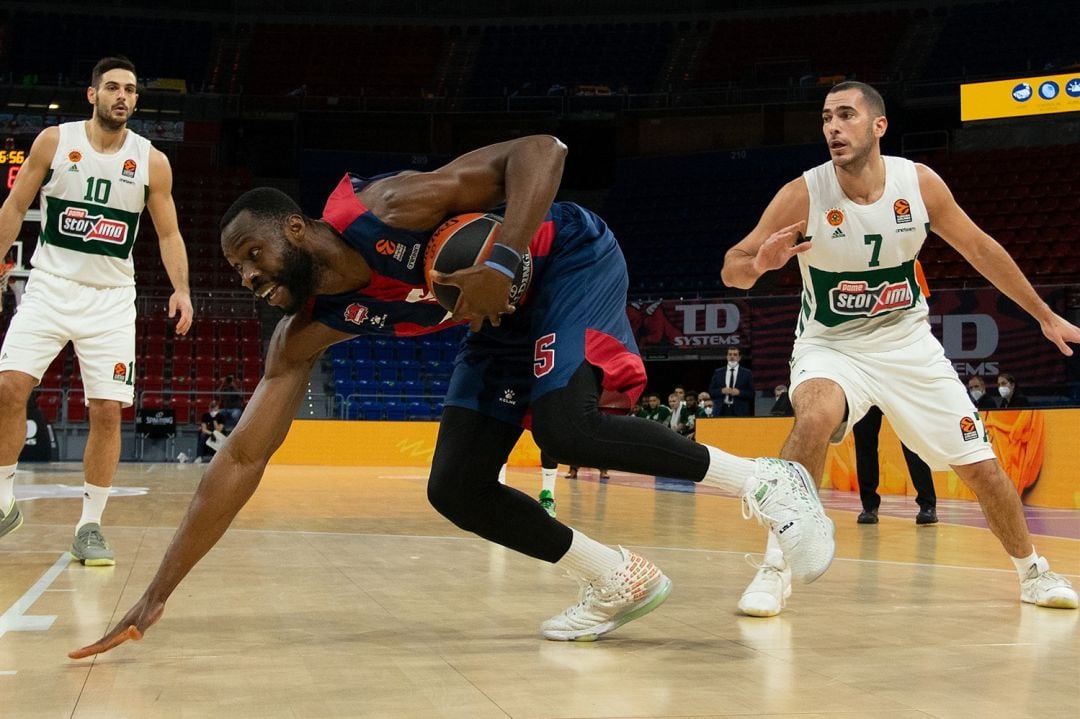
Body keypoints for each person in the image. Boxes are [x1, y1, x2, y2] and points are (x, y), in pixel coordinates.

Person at [70, 135, 835, 658]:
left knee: (565, 428)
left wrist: (503, 253)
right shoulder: (301, 333)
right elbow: (238, 459)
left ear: (298, 231)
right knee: (456, 485)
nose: (246, 276)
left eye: (252, 255)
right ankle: (615, 576)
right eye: (237, 268)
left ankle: (770, 480)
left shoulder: (391, 207)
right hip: (496, 315)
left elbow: (544, 152)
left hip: (562, 255)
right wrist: (157, 592)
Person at [720, 80, 1077, 617]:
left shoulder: (920, 184)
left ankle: (1032, 571)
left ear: (878, 126)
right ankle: (776, 567)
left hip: (908, 345)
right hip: (831, 344)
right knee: (815, 416)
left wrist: (1044, 315)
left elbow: (981, 247)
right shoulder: (804, 193)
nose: (833, 128)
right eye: (825, 118)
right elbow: (733, 268)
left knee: (980, 466)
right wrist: (760, 266)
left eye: (845, 116)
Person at [0, 56, 193, 557]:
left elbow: (168, 232)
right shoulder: (54, 141)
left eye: (130, 89)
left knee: (107, 411)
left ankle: (90, 525)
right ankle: (3, 502)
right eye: (112, 87)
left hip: (110, 301)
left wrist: (182, 289)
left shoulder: (151, 160)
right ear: (92, 95)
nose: (122, 96)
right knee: (7, 387)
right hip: (49, 285)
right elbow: (16, 205)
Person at [853, 405, 937, 525]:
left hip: (899, 387)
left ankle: (928, 505)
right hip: (867, 389)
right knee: (864, 443)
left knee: (912, 442)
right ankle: (868, 506)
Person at [708, 347, 754, 416]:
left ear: (739, 358)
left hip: (740, 412)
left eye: (735, 355)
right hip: (721, 411)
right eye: (730, 354)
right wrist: (721, 391)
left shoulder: (747, 373)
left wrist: (739, 392)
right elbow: (711, 391)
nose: (732, 357)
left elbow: (751, 393)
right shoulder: (718, 372)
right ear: (727, 357)